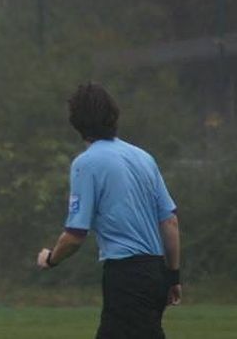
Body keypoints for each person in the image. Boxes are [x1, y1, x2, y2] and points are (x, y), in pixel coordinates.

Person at [36, 82, 181, 339]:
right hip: (155, 271)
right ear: (113, 115)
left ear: (76, 122)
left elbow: (74, 236)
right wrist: (172, 276)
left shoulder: (86, 163)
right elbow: (170, 222)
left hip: (126, 275)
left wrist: (50, 259)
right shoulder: (143, 157)